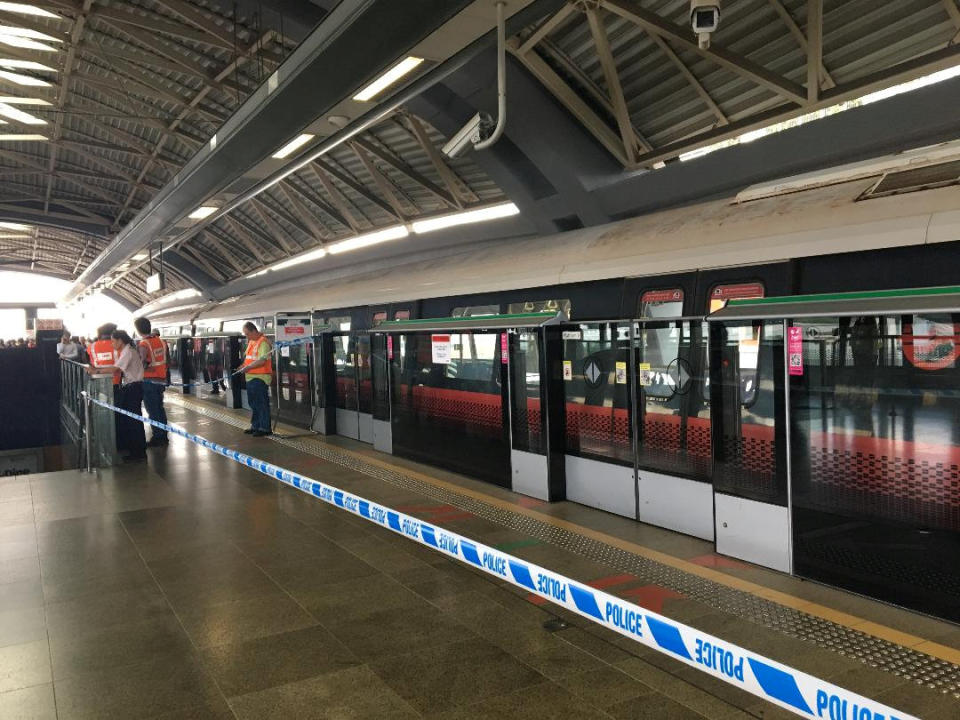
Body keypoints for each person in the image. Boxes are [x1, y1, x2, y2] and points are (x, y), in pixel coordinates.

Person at [87, 330, 146, 462]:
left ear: (120, 340)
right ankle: (135, 450)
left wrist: (96, 370)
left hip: (134, 388)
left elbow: (115, 369)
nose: (112, 344)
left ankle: (138, 453)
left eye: (113, 341)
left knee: (133, 421)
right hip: (132, 387)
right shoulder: (127, 351)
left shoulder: (128, 352)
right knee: (131, 420)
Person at [134, 317, 169, 447]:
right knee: (160, 408)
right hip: (161, 379)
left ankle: (158, 436)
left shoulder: (143, 344)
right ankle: (164, 434)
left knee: (153, 410)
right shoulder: (160, 341)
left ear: (138, 329)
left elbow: (142, 362)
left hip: (149, 380)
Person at [240, 322, 273, 436]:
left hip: (260, 377)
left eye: (247, 334)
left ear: (254, 331)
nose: (246, 337)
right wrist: (243, 366)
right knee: (253, 403)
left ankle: (265, 428)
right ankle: (255, 425)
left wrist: (248, 367)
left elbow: (262, 360)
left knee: (261, 403)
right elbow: (248, 359)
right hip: (250, 377)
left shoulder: (263, 342)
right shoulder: (252, 342)